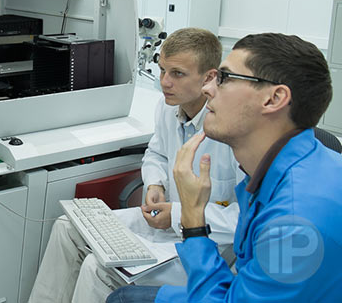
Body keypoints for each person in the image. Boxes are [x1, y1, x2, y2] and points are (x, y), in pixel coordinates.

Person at [107, 33, 342, 303]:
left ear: (274, 98)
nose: (208, 89)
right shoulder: (279, 172)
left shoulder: (293, 224)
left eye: (225, 78)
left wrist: (193, 220)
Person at [28, 28, 243, 303]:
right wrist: (155, 184)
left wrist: (178, 216)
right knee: (67, 226)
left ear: (209, 77)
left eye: (177, 74)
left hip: (210, 248)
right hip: (163, 224)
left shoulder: (231, 131)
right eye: (162, 70)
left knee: (97, 268)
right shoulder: (167, 107)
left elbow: (242, 222)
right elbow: (156, 153)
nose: (165, 82)